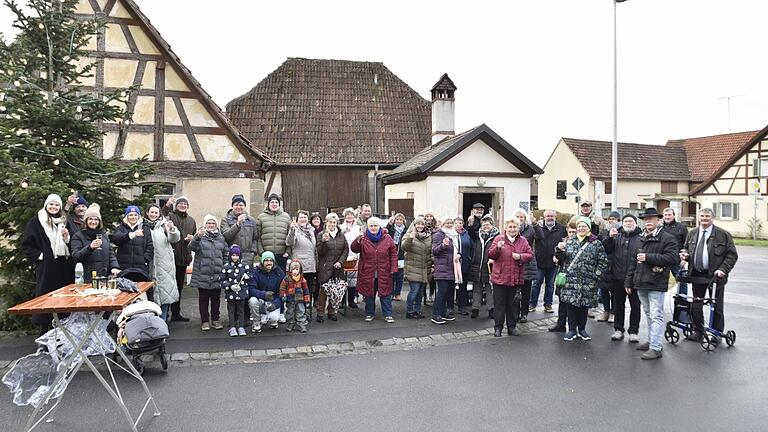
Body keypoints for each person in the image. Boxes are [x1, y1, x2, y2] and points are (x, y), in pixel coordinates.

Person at [625, 208, 679, 360]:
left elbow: (672, 258)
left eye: (651, 219)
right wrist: (629, 281)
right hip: (640, 282)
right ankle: (652, 341)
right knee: (649, 314)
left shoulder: (667, 238)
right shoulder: (640, 238)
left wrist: (648, 257)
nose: (648, 221)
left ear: (658, 220)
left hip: (656, 281)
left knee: (656, 315)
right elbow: (632, 262)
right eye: (645, 219)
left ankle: (655, 347)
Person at [680, 208, 738, 343]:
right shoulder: (692, 233)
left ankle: (716, 333)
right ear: (698, 217)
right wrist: (685, 256)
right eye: (702, 216)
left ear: (712, 218)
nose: (704, 218)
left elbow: (732, 255)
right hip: (697, 275)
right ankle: (698, 331)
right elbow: (686, 249)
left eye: (707, 216)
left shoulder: (723, 234)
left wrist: (723, 269)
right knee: (696, 304)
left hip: (715, 277)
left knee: (716, 306)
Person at [21, 194, 76, 332]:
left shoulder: (64, 221)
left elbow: (74, 242)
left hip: (64, 266)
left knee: (65, 300)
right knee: (47, 299)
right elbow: (27, 245)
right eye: (51, 204)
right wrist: (42, 256)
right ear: (46, 205)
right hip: (47, 268)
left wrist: (66, 237)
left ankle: (64, 334)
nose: (54, 207)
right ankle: (45, 333)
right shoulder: (37, 222)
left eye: (56, 205)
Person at [555, 217, 608, 342]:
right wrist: (559, 250)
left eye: (584, 226)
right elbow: (561, 259)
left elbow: (603, 261)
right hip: (571, 280)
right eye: (579, 226)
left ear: (589, 228)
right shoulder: (569, 241)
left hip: (588, 281)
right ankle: (572, 330)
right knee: (571, 306)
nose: (581, 228)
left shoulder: (596, 243)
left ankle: (582, 329)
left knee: (584, 306)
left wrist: (596, 275)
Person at [488, 218, 533, 337]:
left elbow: (530, 255)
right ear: (505, 228)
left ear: (518, 228)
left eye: (515, 227)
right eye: (510, 227)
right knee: (499, 305)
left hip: (515, 279)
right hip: (500, 278)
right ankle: (498, 328)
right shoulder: (499, 239)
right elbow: (491, 254)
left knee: (512, 305)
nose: (512, 229)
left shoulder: (523, 241)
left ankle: (511, 327)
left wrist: (520, 256)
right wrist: (497, 247)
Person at [602, 214, 642, 342]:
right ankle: (618, 330)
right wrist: (609, 238)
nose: (628, 223)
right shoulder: (616, 236)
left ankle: (633, 331)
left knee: (635, 306)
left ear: (636, 223)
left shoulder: (641, 238)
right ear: (622, 223)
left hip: (635, 278)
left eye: (631, 221)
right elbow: (606, 250)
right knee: (618, 305)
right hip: (618, 277)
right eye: (626, 221)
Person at [351, 217, 398, 323]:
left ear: (379, 226)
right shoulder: (363, 237)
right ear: (367, 226)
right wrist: (357, 241)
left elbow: (393, 254)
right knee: (369, 294)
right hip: (368, 271)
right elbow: (354, 249)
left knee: (385, 294)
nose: (373, 228)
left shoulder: (387, 237)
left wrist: (393, 268)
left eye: (375, 225)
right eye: (371, 226)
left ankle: (388, 314)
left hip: (384, 271)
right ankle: (369, 313)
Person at [189, 214, 229, 331]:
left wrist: (225, 268)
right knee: (203, 299)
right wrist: (197, 237)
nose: (211, 225)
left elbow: (225, 253)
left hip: (217, 273)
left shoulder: (221, 238)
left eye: (213, 223)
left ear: (216, 225)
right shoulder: (200, 236)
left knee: (216, 300)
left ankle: (215, 320)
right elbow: (191, 247)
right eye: (208, 223)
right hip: (203, 274)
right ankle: (205, 321)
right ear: (205, 225)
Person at [162, 195, 196, 322]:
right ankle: (165, 314)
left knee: (179, 287)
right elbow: (160, 216)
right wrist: (167, 204)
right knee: (167, 287)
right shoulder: (170, 216)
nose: (183, 205)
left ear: (188, 206)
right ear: (177, 205)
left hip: (183, 258)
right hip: (170, 258)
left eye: (185, 204)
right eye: (181, 203)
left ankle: (176, 313)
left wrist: (191, 239)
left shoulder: (191, 220)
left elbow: (195, 237)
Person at [145, 204, 180, 321]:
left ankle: (162, 323)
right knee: (150, 297)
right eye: (152, 212)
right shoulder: (142, 226)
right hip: (148, 265)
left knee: (164, 295)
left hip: (164, 266)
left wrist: (173, 230)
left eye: (156, 212)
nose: (154, 215)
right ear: (147, 213)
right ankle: (152, 323)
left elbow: (174, 239)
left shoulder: (164, 225)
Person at [71, 204, 121, 283]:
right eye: (90, 219)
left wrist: (114, 267)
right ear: (86, 221)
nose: (93, 222)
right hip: (88, 278)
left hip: (105, 277)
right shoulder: (78, 236)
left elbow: (110, 254)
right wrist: (90, 248)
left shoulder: (103, 235)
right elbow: (76, 256)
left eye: (96, 219)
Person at [531, 210, 567, 314]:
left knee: (550, 285)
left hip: (554, 262)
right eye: (548, 216)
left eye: (552, 216)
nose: (550, 218)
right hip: (540, 261)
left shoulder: (561, 228)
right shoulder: (539, 228)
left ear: (555, 217)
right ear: (544, 217)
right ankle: (532, 303)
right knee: (536, 283)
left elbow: (566, 240)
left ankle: (548, 304)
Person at [316, 213, 348, 322]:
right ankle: (320, 313)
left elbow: (345, 250)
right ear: (326, 222)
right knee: (324, 291)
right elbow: (320, 252)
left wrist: (340, 262)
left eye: (334, 222)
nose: (332, 224)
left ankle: (331, 311)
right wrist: (324, 242)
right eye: (330, 222)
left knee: (335, 291)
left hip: (337, 267)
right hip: (325, 267)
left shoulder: (341, 235)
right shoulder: (321, 235)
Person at [286, 210, 318, 316]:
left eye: (305, 217)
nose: (303, 219)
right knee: (298, 290)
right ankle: (299, 312)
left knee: (308, 288)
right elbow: (289, 242)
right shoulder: (295, 230)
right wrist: (291, 230)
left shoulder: (312, 231)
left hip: (310, 264)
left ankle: (307, 312)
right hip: (299, 265)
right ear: (297, 220)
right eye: (301, 217)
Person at [467, 214, 499, 319]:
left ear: (492, 225)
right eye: (484, 225)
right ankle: (475, 309)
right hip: (477, 265)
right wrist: (471, 225)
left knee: (490, 289)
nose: (485, 226)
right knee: (477, 288)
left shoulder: (497, 236)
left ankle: (491, 309)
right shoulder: (478, 235)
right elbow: (470, 232)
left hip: (491, 266)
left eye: (488, 224)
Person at [430, 217, 461, 325]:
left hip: (452, 268)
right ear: (442, 224)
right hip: (442, 268)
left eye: (450, 223)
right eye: (447, 223)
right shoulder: (439, 234)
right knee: (441, 292)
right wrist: (443, 245)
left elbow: (457, 249)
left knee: (447, 292)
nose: (449, 224)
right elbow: (434, 251)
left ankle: (442, 313)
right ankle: (435, 314)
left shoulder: (454, 234)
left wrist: (459, 254)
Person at [549, 222, 578, 332]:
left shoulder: (580, 243)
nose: (572, 234)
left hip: (574, 277)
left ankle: (573, 327)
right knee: (562, 301)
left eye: (574, 232)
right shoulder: (563, 243)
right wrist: (557, 252)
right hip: (563, 275)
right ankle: (560, 324)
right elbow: (557, 258)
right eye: (570, 231)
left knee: (573, 303)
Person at [112, 205, 154, 281]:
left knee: (141, 289)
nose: (133, 217)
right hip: (124, 265)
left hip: (141, 266)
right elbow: (116, 239)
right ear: (126, 216)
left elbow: (150, 245)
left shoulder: (145, 228)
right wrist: (131, 235)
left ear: (138, 216)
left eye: (135, 215)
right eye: (130, 215)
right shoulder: (121, 227)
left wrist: (145, 259)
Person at [247, 251, 286, 332]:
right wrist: (263, 294)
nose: (269, 263)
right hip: (260, 299)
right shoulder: (255, 272)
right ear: (262, 261)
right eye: (266, 260)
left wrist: (276, 304)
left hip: (273, 301)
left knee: (274, 318)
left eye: (271, 260)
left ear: (274, 262)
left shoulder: (279, 273)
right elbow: (251, 289)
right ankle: (256, 322)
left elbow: (283, 293)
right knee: (252, 300)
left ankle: (273, 319)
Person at [402, 216, 432, 319]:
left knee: (420, 293)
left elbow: (430, 252)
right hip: (413, 268)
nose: (420, 226)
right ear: (414, 225)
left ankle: (417, 310)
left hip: (424, 269)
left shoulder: (428, 236)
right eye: (418, 224)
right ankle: (409, 311)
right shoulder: (409, 234)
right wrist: (410, 238)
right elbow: (404, 247)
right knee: (414, 291)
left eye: (422, 224)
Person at [220, 194, 260, 266]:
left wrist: (253, 252)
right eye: (236, 205)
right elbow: (226, 236)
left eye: (241, 205)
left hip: (248, 256)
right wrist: (237, 224)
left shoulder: (251, 220)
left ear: (244, 206)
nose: (239, 207)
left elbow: (255, 238)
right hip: (232, 255)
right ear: (232, 206)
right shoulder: (225, 220)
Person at [255, 193, 292, 272]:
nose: (274, 204)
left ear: (279, 204)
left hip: (282, 255)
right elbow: (257, 237)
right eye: (272, 202)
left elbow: (290, 235)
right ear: (268, 204)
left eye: (276, 202)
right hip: (267, 255)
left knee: (281, 279)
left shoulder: (286, 217)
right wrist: (261, 252)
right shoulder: (261, 217)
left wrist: (288, 252)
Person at [596, 211, 622, 322]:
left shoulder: (623, 231)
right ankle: (605, 311)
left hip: (617, 264)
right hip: (605, 264)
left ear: (619, 220)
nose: (611, 221)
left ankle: (613, 312)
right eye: (610, 219)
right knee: (604, 290)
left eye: (614, 219)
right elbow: (600, 245)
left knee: (615, 292)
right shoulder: (604, 231)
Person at [219, 245, 250, 337]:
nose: (235, 257)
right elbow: (222, 281)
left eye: (237, 255)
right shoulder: (226, 267)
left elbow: (250, 278)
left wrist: (247, 278)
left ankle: (241, 326)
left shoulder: (245, 266)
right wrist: (230, 286)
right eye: (233, 255)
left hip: (241, 293)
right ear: (230, 256)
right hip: (231, 293)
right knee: (231, 310)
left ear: (239, 256)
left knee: (241, 310)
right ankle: (232, 327)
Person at [514, 209, 537, 323]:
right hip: (515, 265)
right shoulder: (512, 229)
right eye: (517, 216)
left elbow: (540, 237)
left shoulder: (530, 229)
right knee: (514, 292)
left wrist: (535, 224)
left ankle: (524, 313)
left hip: (527, 265)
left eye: (521, 217)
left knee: (526, 292)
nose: (519, 219)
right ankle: (515, 313)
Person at [661, 207, 689, 294]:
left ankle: (682, 300)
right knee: (659, 281)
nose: (667, 217)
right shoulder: (659, 228)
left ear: (673, 215)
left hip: (677, 259)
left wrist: (684, 259)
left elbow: (687, 244)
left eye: (669, 215)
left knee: (681, 280)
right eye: (665, 215)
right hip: (662, 259)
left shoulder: (681, 227)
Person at [280, 260, 311, 332]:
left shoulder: (302, 280)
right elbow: (282, 288)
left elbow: (306, 290)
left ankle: (301, 324)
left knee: (300, 311)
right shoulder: (286, 278)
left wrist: (307, 300)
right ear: (290, 270)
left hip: (300, 300)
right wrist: (283, 295)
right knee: (290, 312)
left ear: (300, 270)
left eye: (297, 269)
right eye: (293, 269)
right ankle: (291, 323)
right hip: (290, 299)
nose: (295, 271)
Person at [340, 208, 361, 308]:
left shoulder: (358, 228)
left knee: (353, 280)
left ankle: (351, 300)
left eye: (351, 215)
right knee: (342, 279)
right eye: (347, 215)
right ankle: (342, 301)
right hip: (343, 255)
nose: (349, 217)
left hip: (355, 255)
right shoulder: (340, 227)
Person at [453, 216, 473, 315]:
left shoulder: (466, 234)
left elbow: (471, 247)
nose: (458, 225)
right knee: (451, 286)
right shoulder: (451, 234)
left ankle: (462, 306)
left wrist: (470, 258)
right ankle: (449, 307)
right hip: (453, 265)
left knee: (463, 286)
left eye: (460, 223)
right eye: (456, 223)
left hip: (464, 263)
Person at [386, 213, 407, 301]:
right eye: (397, 220)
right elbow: (385, 232)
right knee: (391, 275)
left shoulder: (405, 230)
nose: (398, 221)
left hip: (401, 255)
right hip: (390, 254)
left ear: (403, 221)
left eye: (400, 220)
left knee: (399, 275)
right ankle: (390, 293)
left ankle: (397, 293)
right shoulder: (390, 228)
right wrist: (389, 223)